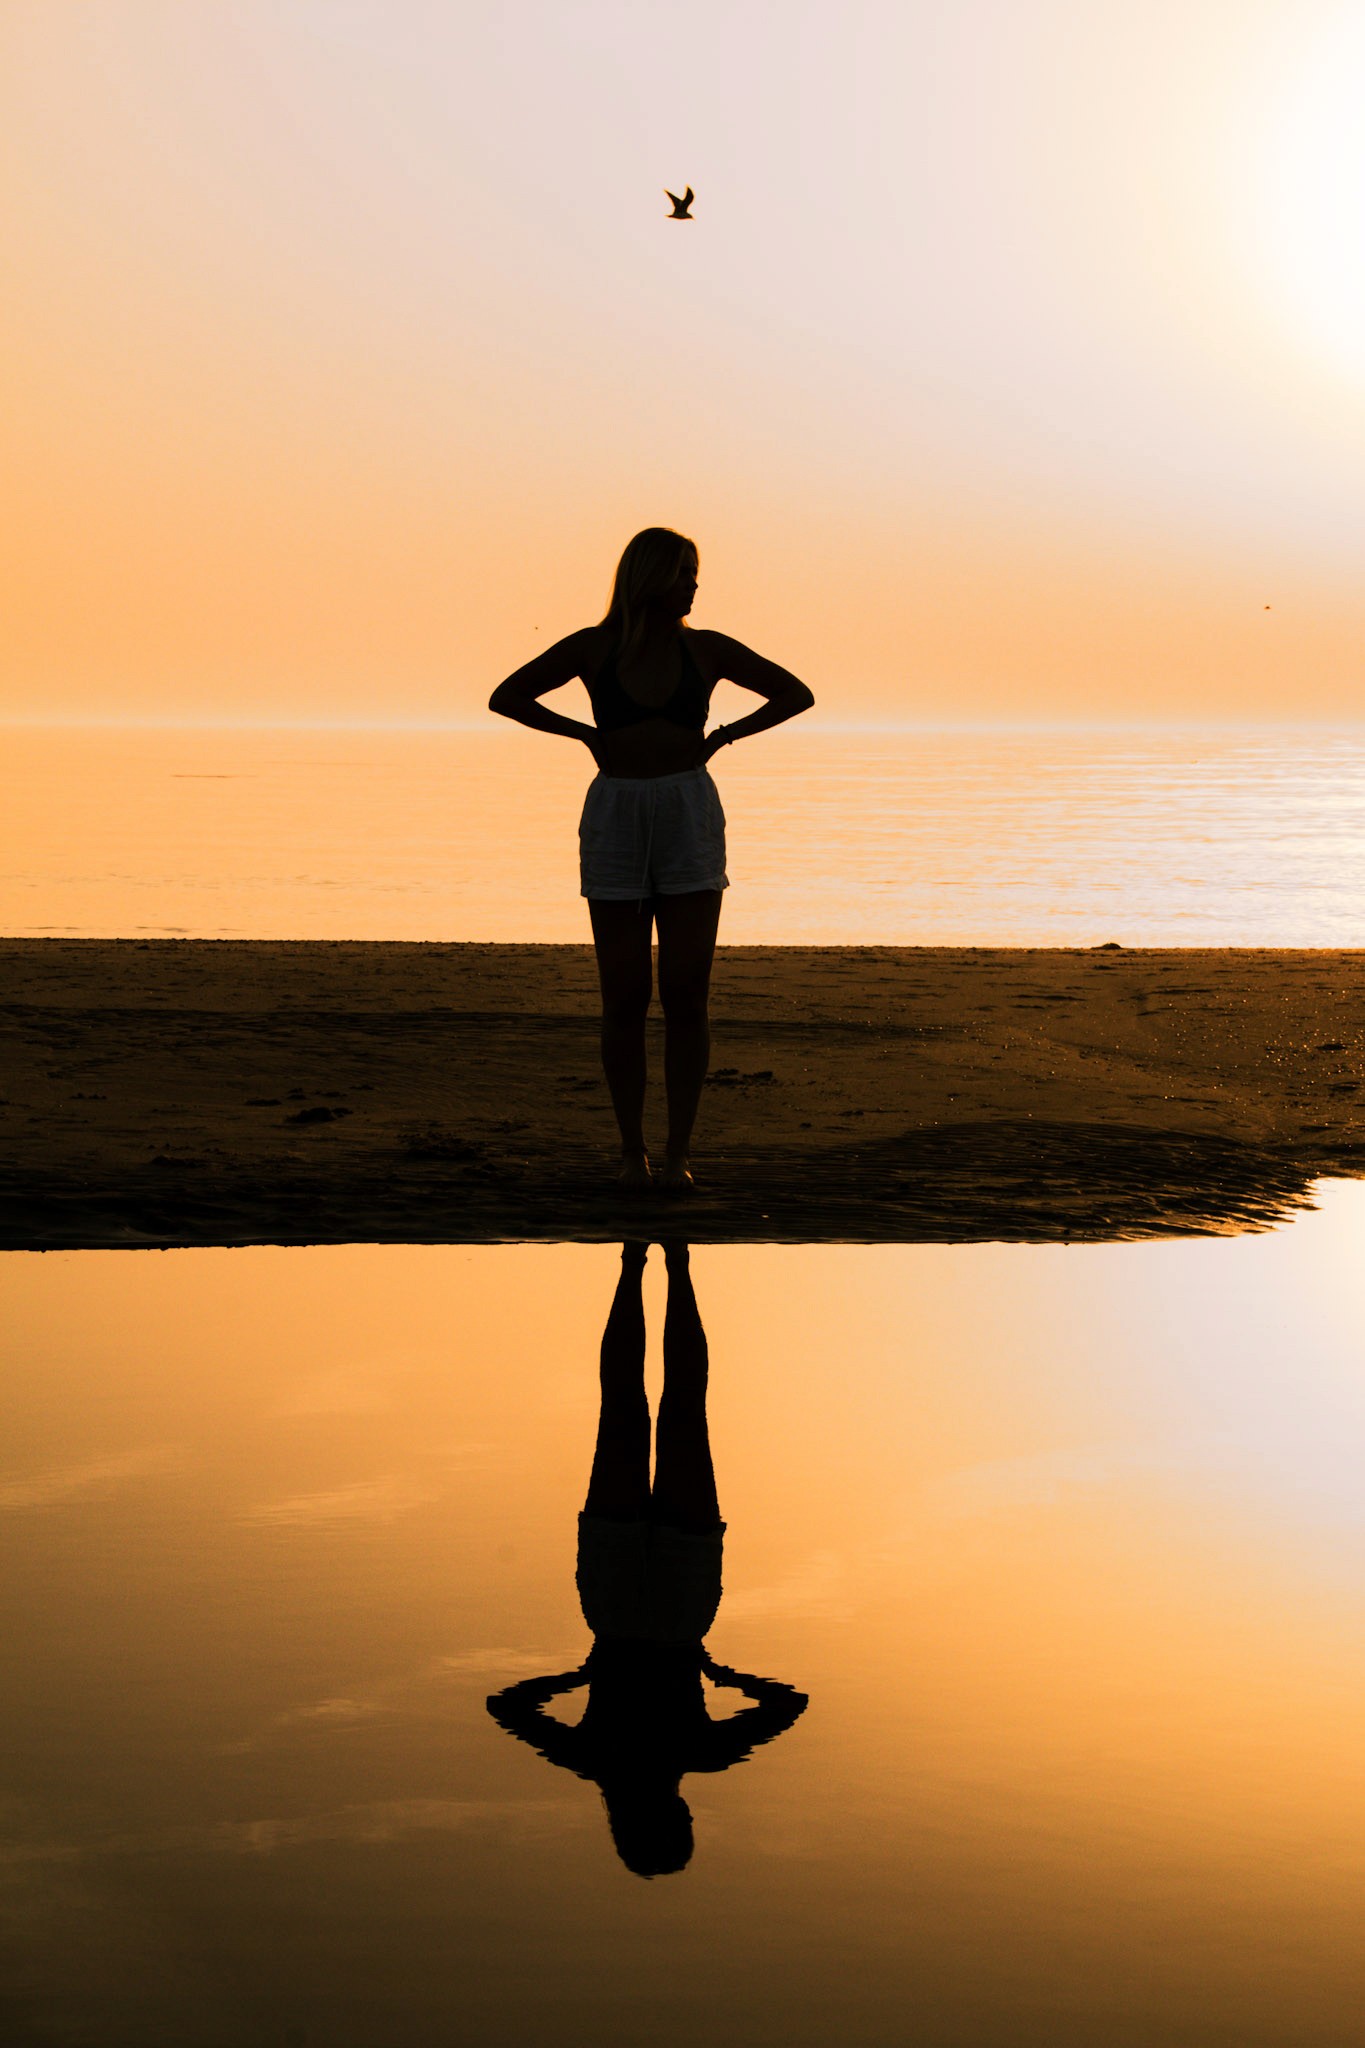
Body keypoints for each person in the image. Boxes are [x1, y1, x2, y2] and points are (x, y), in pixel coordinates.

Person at [488, 528, 814, 1191]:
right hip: (615, 814)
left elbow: (792, 694)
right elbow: (509, 696)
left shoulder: (707, 649)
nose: (694, 585)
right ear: (650, 578)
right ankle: (631, 1152)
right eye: (684, 573)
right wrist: (584, 734)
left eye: (695, 573)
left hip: (687, 813)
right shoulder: (592, 647)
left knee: (687, 991)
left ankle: (676, 1156)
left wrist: (722, 736)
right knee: (625, 994)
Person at [486, 1241, 807, 1878]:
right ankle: (636, 1262)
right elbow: (508, 1706)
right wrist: (581, 1677)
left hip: (681, 1617)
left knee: (681, 1411)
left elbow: (788, 1703)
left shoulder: (701, 1754)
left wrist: (715, 1673)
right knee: (626, 1409)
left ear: (681, 1818)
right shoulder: (593, 1759)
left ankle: (676, 1264)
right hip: (614, 1612)